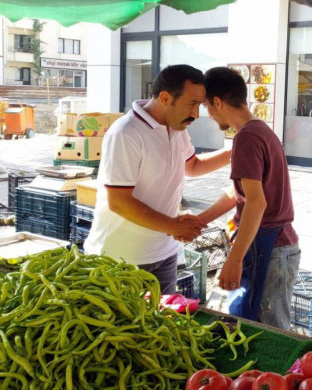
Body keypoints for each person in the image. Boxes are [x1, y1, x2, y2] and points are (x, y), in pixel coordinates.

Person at [84, 65, 232, 294]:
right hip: (121, 258)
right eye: (192, 104)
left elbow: (191, 167)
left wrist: (234, 153)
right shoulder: (125, 133)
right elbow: (119, 201)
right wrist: (174, 226)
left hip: (164, 254)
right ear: (165, 98)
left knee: (159, 324)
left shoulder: (178, 127)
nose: (196, 114)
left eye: (199, 105)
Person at [197, 67, 300, 330]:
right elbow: (241, 193)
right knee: (259, 327)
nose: (208, 114)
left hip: (270, 248)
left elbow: (257, 202)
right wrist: (200, 220)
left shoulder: (246, 138)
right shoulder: (260, 131)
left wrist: (234, 260)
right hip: (278, 247)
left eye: (207, 106)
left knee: (269, 334)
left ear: (217, 102)